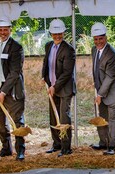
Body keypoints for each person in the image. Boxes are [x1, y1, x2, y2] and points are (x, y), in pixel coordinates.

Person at [0, 16, 26, 161]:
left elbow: (15, 73)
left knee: (17, 121)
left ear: (10, 30)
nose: (3, 32)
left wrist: (3, 92)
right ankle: (6, 148)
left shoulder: (16, 47)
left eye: (5, 30)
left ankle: (20, 150)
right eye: (0, 30)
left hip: (12, 91)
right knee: (0, 121)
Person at [42, 19, 76, 157]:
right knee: (53, 117)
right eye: (55, 33)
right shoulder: (48, 46)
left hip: (64, 88)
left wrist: (55, 86)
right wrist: (44, 77)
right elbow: (46, 63)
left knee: (63, 118)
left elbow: (67, 73)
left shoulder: (69, 50)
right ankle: (56, 144)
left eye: (59, 33)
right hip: (51, 87)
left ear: (63, 32)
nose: (57, 36)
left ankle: (66, 148)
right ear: (51, 33)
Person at [89, 23, 115, 155]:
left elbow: (109, 78)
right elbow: (96, 70)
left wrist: (100, 94)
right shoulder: (94, 50)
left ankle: (112, 146)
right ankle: (103, 142)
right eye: (96, 39)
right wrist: (96, 88)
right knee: (102, 117)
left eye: (101, 38)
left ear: (106, 38)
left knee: (113, 119)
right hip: (101, 90)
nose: (98, 42)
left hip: (113, 92)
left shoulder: (112, 55)